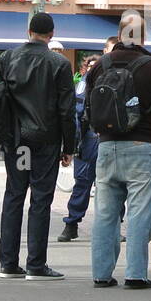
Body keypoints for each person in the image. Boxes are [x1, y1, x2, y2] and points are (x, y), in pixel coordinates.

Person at [86, 11, 151, 289]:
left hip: (107, 146)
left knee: (105, 212)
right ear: (144, 36)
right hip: (144, 146)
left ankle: (101, 274)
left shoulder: (100, 65)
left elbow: (89, 107)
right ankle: (136, 274)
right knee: (139, 212)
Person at [0, 13, 76, 280]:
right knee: (41, 199)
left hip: (17, 139)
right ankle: (36, 264)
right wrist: (69, 145)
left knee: (14, 195)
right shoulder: (59, 63)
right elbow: (66, 109)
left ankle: (8, 263)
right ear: (51, 34)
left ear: (28, 31)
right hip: (46, 139)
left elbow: (1, 98)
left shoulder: (7, 58)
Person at [60, 54, 101, 242]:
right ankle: (72, 224)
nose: (93, 68)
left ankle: (114, 226)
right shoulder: (83, 85)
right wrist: (74, 144)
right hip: (89, 138)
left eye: (97, 65)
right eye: (90, 65)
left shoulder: (113, 79)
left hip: (107, 139)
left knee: (113, 187)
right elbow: (77, 115)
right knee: (82, 184)